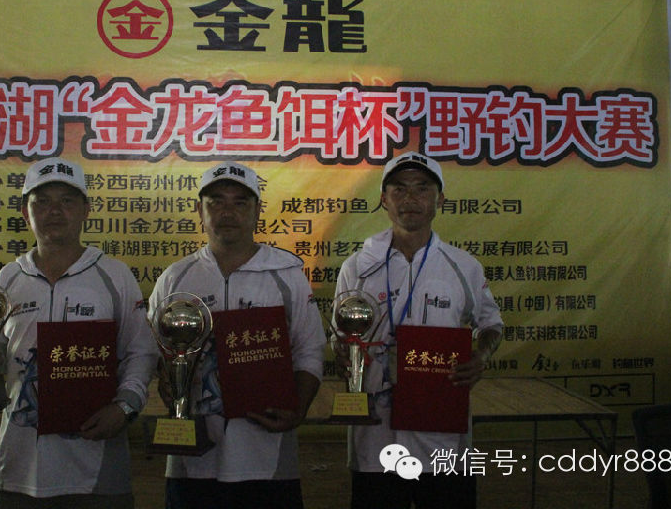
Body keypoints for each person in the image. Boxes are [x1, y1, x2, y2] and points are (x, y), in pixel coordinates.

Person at [0, 157, 159, 509]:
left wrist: (124, 406)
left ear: (86, 210)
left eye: (66, 201)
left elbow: (141, 352)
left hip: (96, 467)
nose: (54, 211)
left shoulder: (114, 275)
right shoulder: (9, 277)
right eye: (42, 201)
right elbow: (0, 351)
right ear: (25, 213)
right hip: (20, 468)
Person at [148, 160, 326, 509]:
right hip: (192, 458)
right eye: (216, 201)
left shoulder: (286, 274)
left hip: (268, 459)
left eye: (240, 202)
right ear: (199, 210)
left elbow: (309, 351)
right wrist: (168, 378)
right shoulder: (175, 278)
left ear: (258, 211)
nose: (227, 212)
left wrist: (299, 408)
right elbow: (153, 349)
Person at [333, 152, 504, 509]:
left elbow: (491, 324)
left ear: (440, 200)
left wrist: (480, 356)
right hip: (376, 439)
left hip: (443, 436)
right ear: (384, 199)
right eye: (399, 188)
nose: (410, 198)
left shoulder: (463, 266)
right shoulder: (357, 266)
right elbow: (340, 335)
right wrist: (346, 354)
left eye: (422, 188)